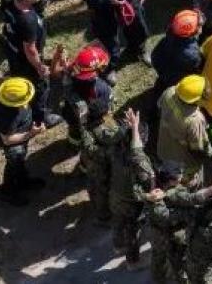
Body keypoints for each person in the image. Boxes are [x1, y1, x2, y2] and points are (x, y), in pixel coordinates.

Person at [146, 170, 212, 282]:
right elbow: (191, 200)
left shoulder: (160, 192)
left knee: (164, 258)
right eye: (179, 176)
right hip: (165, 235)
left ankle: (163, 277)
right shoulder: (162, 202)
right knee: (171, 260)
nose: (182, 177)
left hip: (169, 233)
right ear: (171, 181)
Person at [1, 0, 63, 127]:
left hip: (14, 54)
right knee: (41, 86)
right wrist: (39, 67)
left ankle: (23, 102)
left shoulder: (10, 4)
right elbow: (30, 49)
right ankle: (41, 118)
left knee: (20, 78)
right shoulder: (27, 20)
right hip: (27, 60)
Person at [109, 107, 156, 270]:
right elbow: (137, 154)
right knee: (133, 231)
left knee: (118, 222)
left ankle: (117, 245)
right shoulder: (137, 161)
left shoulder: (115, 148)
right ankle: (133, 261)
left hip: (115, 195)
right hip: (131, 203)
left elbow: (120, 136)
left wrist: (131, 127)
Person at [0, 77, 48, 206]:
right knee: (14, 163)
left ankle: (23, 181)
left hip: (22, 133)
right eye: (23, 100)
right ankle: (7, 192)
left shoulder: (6, 86)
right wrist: (31, 133)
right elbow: (7, 140)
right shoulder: (7, 116)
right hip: (14, 144)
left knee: (20, 162)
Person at [149, 9, 205, 129]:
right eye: (198, 26)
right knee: (171, 96)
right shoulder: (191, 55)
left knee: (159, 88)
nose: (201, 28)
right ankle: (160, 116)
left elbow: (155, 55)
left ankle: (152, 111)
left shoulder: (171, 34)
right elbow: (196, 67)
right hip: (175, 79)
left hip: (163, 69)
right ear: (190, 33)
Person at [157, 75, 212, 188]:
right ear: (196, 100)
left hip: (164, 147)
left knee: (167, 168)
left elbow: (159, 107)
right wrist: (208, 154)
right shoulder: (194, 120)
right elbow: (198, 148)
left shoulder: (170, 92)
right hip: (182, 162)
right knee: (188, 182)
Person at [77, 91, 121, 222]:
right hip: (98, 166)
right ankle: (103, 216)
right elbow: (93, 150)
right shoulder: (91, 131)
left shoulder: (98, 123)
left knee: (103, 188)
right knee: (100, 190)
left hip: (101, 165)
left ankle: (105, 210)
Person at [61, 44, 114, 148]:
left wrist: (67, 70)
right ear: (93, 73)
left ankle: (74, 144)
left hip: (71, 114)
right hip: (90, 119)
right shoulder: (102, 89)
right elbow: (106, 109)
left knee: (74, 131)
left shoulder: (70, 81)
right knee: (99, 129)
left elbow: (67, 82)